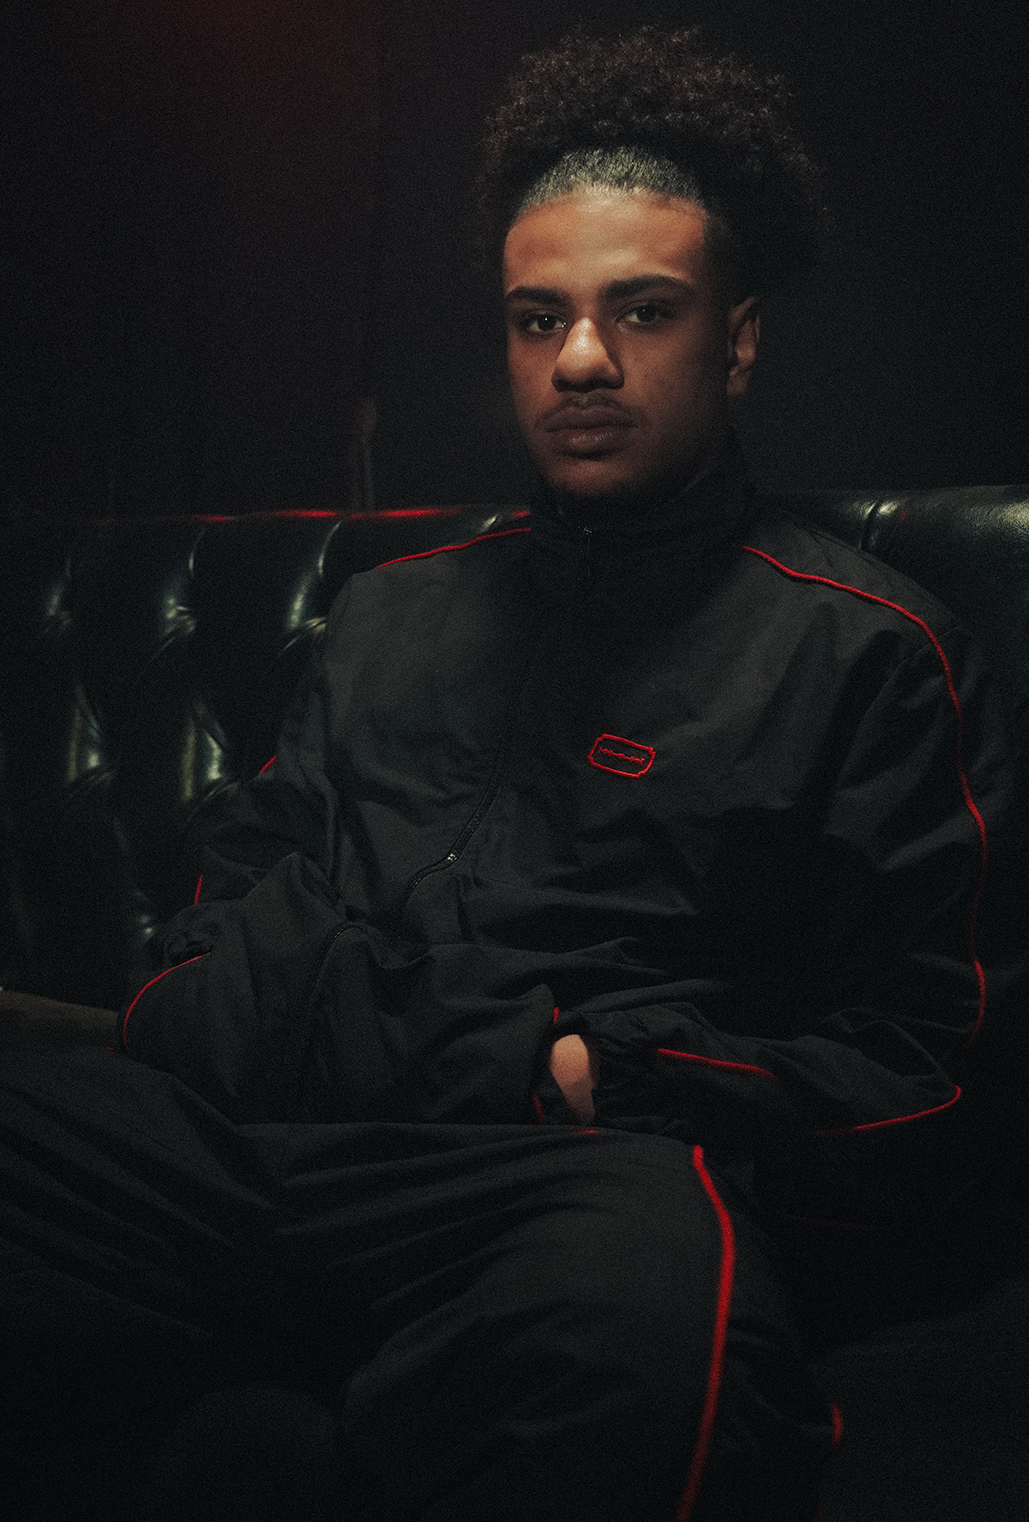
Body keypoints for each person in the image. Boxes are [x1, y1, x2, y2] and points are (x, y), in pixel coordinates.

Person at [1, 25, 1023, 1522]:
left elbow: (929, 1087)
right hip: (263, 1149)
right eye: (539, 319)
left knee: (648, 1320)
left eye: (642, 310)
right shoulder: (390, 616)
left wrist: (595, 1075)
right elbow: (204, 950)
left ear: (736, 341)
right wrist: (449, 1037)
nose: (581, 360)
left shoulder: (869, 653)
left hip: (562, 1181)